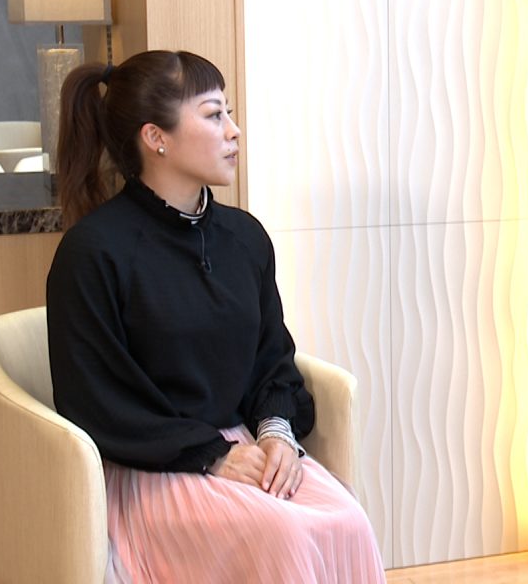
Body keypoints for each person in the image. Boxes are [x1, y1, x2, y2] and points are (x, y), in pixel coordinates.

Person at [46, 50, 385, 582]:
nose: (234, 130)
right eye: (213, 115)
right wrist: (211, 455)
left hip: (243, 449)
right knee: (282, 536)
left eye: (229, 112)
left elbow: (273, 359)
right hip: (150, 467)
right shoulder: (93, 252)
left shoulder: (244, 238)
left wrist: (276, 432)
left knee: (349, 522)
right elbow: (96, 401)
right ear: (155, 137)